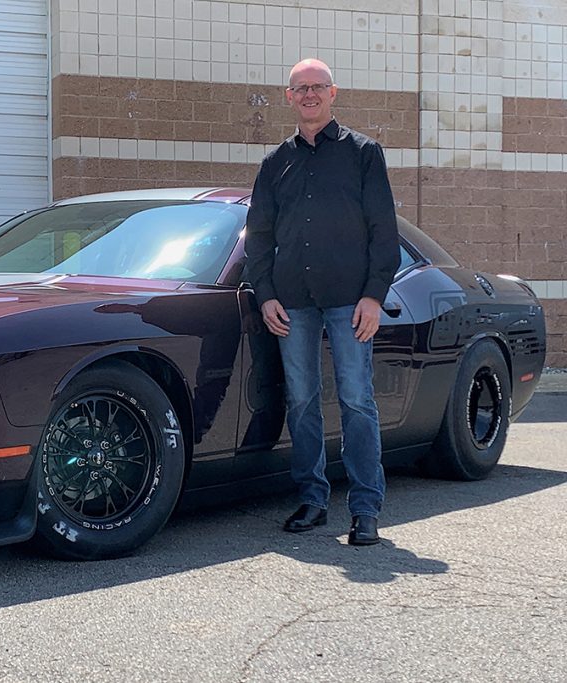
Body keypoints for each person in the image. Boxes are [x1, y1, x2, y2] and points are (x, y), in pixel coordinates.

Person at [244, 58, 400, 546]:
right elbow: (259, 238)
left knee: (356, 400)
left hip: (351, 301)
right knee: (303, 401)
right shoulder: (275, 164)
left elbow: (384, 233)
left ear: (333, 94)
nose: (309, 94)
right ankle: (312, 499)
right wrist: (265, 295)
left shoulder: (363, 154)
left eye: (317, 87)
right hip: (293, 304)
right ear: (288, 97)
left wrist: (374, 296)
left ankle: (366, 508)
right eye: (300, 88)